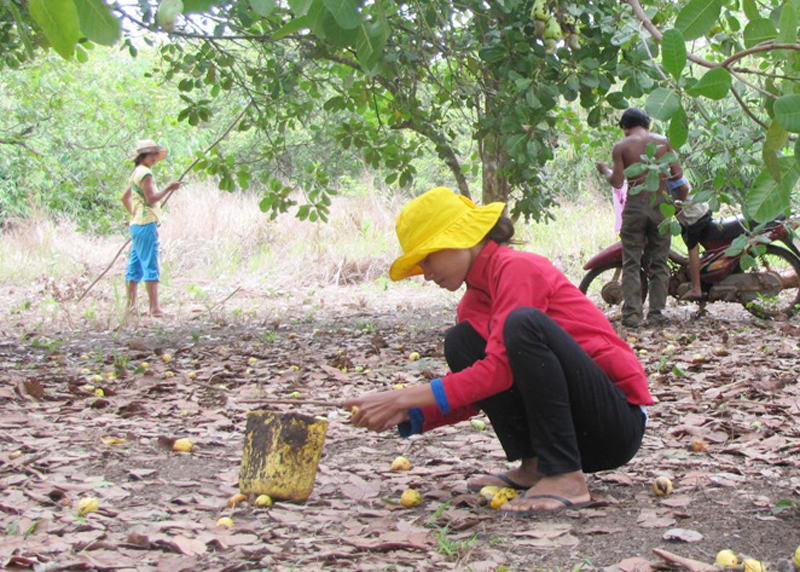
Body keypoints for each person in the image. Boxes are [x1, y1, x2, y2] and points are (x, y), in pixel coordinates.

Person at [344, 187, 652, 514]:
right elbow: (481, 386)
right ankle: (537, 463)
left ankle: (565, 475)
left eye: (428, 258)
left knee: (522, 325)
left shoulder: (517, 268)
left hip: (614, 423)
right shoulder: (474, 302)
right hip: (577, 433)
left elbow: (500, 370)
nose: (427, 273)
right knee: (461, 341)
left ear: (461, 237)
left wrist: (406, 395)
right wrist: (410, 412)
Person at [597, 108, 684, 328]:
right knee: (659, 263)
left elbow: (617, 182)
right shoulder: (663, 141)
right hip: (660, 205)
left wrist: (605, 170)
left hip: (635, 207)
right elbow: (678, 174)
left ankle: (632, 316)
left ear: (625, 127)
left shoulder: (622, 146)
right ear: (646, 124)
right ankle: (656, 314)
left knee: (632, 263)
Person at [120, 139, 181, 317]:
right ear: (143, 156)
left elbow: (124, 197)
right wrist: (169, 188)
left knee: (135, 266)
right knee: (150, 264)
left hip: (137, 224)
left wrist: (133, 214)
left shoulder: (135, 173)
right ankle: (155, 308)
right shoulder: (145, 173)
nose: (155, 158)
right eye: (152, 154)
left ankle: (130, 307)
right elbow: (151, 199)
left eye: (156, 154)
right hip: (146, 224)